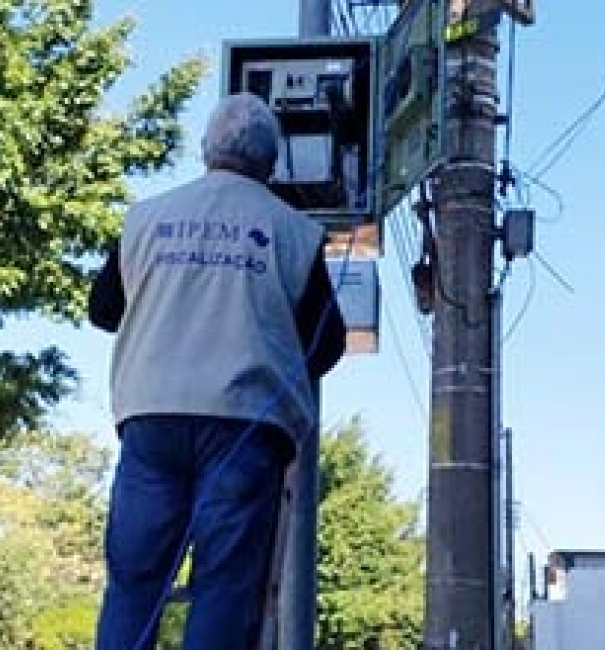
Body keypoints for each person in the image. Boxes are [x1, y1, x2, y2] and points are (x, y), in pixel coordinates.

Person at [88, 92, 347, 649]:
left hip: (151, 416)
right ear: (272, 162)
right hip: (244, 424)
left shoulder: (146, 219)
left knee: (135, 583)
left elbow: (103, 310)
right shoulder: (293, 232)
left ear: (206, 149)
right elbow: (327, 342)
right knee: (226, 588)